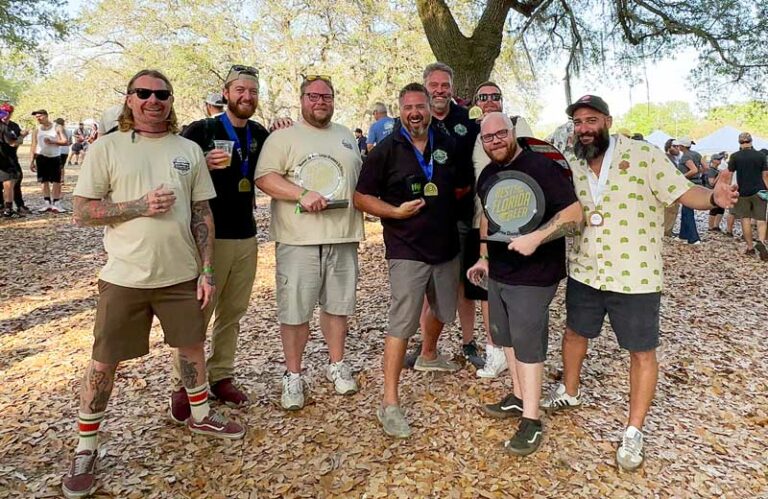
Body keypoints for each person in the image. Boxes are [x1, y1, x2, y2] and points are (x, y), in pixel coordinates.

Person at [61, 69, 245, 499]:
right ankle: (87, 446)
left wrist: (207, 270)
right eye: (143, 93)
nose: (153, 100)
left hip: (180, 274)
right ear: (129, 99)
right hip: (125, 277)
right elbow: (82, 212)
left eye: (161, 94)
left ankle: (198, 413)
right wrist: (137, 206)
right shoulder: (107, 148)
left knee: (192, 348)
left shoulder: (187, 150)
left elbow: (202, 213)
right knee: (104, 361)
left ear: (171, 100)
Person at [541, 95, 738, 471]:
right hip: (586, 270)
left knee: (641, 352)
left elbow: (683, 191)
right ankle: (569, 390)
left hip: (636, 276)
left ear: (608, 121)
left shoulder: (643, 155)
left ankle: (634, 430)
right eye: (578, 122)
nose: (584, 128)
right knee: (573, 334)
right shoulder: (572, 163)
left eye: (591, 120)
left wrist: (713, 196)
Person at [468, 112, 581, 455]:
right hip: (500, 271)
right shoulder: (487, 175)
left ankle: (531, 421)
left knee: (528, 344)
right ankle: (518, 398)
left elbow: (575, 215)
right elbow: (489, 218)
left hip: (535, 274)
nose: (496, 141)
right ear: (482, 143)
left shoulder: (542, 167)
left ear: (513, 132)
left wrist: (538, 237)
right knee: (508, 339)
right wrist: (483, 257)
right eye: (488, 137)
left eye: (501, 133)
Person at [354, 83, 460, 438]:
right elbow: (361, 197)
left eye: (421, 105)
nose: (415, 112)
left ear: (431, 107)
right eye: (408, 107)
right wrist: (395, 212)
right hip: (406, 249)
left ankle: (429, 355)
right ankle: (390, 402)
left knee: (444, 310)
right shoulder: (385, 150)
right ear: (400, 111)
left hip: (446, 247)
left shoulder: (446, 143)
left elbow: (460, 186)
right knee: (402, 322)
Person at [165, 65, 271, 418]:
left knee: (233, 313)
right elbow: (174, 174)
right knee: (197, 314)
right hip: (208, 237)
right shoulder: (201, 130)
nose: (247, 97)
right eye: (240, 90)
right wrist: (202, 165)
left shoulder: (259, 133)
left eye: (253, 91)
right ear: (226, 93)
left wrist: (286, 128)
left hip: (246, 235)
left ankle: (221, 375)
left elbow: (275, 166)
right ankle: (186, 385)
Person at [255, 75, 363, 411]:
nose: (320, 102)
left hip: (342, 235)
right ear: (301, 99)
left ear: (334, 100)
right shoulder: (283, 137)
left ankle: (337, 364)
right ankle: (293, 374)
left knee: (338, 306)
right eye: (313, 96)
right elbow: (265, 178)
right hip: (298, 240)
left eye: (326, 96)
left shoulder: (346, 136)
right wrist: (302, 194)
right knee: (295, 309)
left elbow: (358, 181)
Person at [411, 62, 478, 369]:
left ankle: (469, 343)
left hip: (462, 213)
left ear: (452, 88)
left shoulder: (468, 120)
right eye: (434, 85)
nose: (439, 90)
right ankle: (427, 347)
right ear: (425, 87)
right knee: (427, 283)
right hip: (424, 217)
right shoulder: (414, 119)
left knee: (463, 281)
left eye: (444, 85)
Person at [728, 132, 768, 260]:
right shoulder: (761, 156)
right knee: (761, 219)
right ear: (751, 141)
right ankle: (761, 242)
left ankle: (750, 247)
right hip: (760, 191)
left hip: (743, 192)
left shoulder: (735, 156)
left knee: (745, 219)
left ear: (739, 142)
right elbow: (765, 176)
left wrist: (728, 189)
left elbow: (729, 175)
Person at [29, 109, 68, 213]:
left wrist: (53, 141)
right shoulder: (37, 129)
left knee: (56, 180)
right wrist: (32, 160)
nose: (38, 119)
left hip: (55, 156)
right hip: (41, 156)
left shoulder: (57, 127)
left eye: (40, 116)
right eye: (36, 117)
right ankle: (47, 202)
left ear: (46, 116)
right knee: (43, 180)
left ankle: (56, 203)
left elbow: (65, 141)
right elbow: (33, 144)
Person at [0, 103, 30, 214]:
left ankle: (16, 206)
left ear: (11, 113)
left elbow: (17, 142)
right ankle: (7, 207)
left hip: (11, 158)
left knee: (14, 181)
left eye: (8, 112)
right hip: (2, 160)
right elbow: (14, 143)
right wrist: (22, 136)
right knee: (8, 182)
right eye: (3, 111)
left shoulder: (14, 126)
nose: (5, 114)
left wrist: (21, 136)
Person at [674, 137, 702, 244]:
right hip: (697, 183)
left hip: (688, 185)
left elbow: (693, 170)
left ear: (681, 147)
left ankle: (693, 238)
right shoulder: (697, 154)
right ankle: (683, 235)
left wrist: (682, 176)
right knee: (685, 210)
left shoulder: (686, 156)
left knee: (688, 211)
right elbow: (705, 167)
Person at [662, 138, 681, 237]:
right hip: (668, 187)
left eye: (678, 146)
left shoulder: (675, 158)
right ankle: (666, 230)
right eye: (675, 146)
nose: (678, 148)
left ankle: (668, 229)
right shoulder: (666, 158)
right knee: (670, 210)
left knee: (673, 210)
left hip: (674, 187)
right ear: (669, 147)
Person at [706, 153, 727, 232]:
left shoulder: (716, 170)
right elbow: (711, 183)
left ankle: (716, 226)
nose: (720, 161)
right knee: (714, 209)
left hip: (719, 191)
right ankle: (711, 226)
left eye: (720, 159)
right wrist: (719, 175)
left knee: (721, 209)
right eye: (718, 159)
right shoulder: (711, 170)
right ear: (713, 160)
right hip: (713, 192)